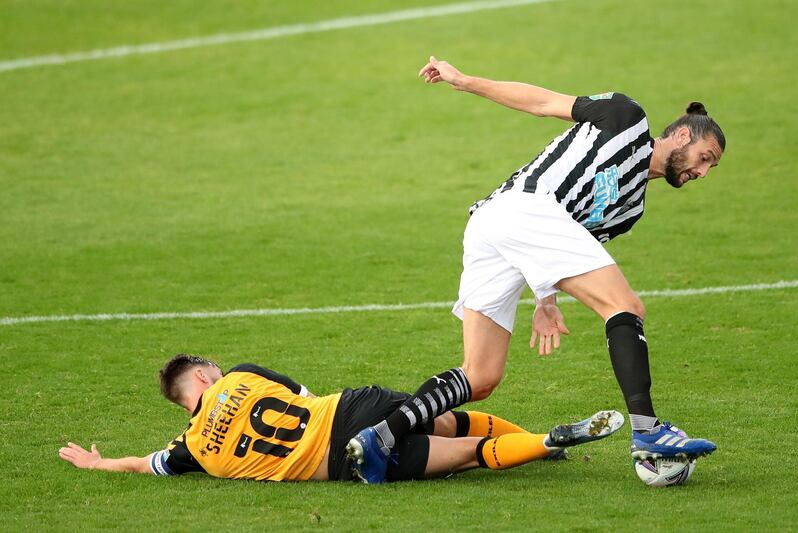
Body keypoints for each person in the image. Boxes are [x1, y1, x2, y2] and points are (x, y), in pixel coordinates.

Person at [348, 56, 724, 483]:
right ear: (680, 135)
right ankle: (648, 431)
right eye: (704, 157)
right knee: (625, 306)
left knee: (482, 375)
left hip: (500, 229)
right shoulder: (627, 118)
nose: (703, 171)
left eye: (711, 167)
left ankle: (379, 438)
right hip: (516, 207)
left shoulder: (630, 209)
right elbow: (543, 102)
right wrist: (465, 80)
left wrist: (545, 299)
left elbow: (559, 246)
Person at [58, 354, 623, 483]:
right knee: (455, 421)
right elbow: (306, 394)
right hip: (351, 410)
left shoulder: (193, 451)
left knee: (468, 456)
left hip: (337, 462)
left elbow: (145, 464)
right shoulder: (242, 375)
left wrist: (100, 462)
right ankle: (540, 436)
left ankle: (547, 442)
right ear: (205, 376)